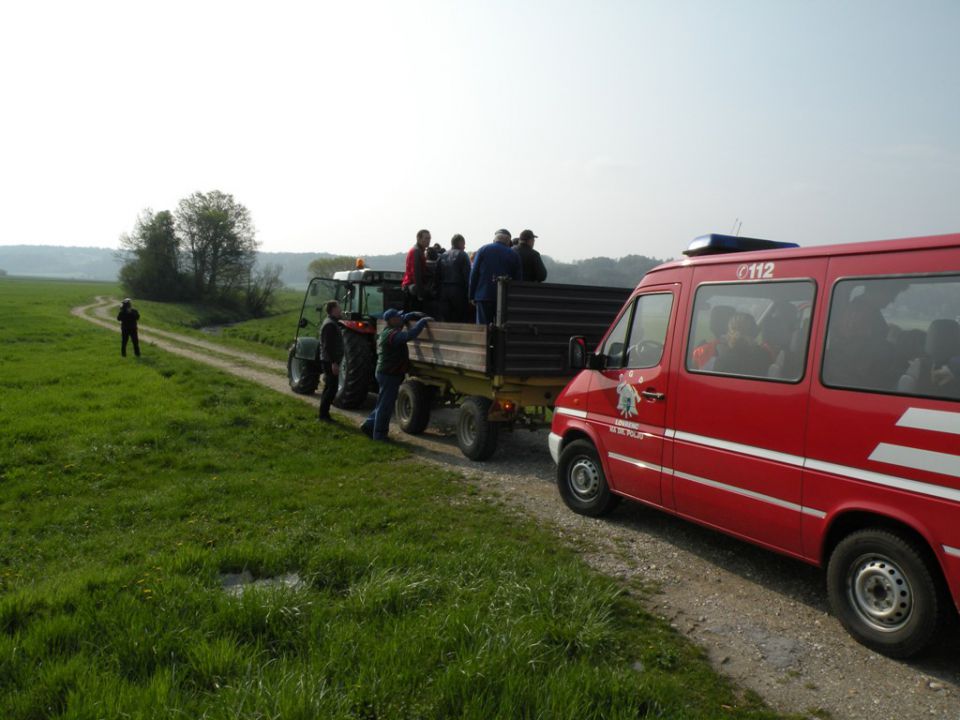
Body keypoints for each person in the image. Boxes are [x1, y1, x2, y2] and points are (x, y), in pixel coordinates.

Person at [360, 309, 431, 441]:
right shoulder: (392, 334)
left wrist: (410, 315)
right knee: (385, 406)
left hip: (386, 373)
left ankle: (369, 424)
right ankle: (380, 435)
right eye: (398, 317)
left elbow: (401, 319)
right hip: (389, 375)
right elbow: (408, 336)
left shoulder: (389, 329)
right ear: (392, 320)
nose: (400, 318)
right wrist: (421, 323)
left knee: (383, 403)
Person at [468, 228, 523, 324]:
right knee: (502, 327)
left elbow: (474, 274)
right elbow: (518, 280)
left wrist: (471, 295)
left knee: (483, 329)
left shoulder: (483, 250)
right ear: (508, 242)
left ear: (494, 240)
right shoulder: (514, 255)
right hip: (505, 298)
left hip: (483, 296)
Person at [317, 300, 343, 422]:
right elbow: (328, 346)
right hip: (329, 361)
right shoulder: (330, 325)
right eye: (339, 308)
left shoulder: (332, 323)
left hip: (329, 361)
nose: (341, 310)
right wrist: (334, 363)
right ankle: (323, 415)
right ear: (333, 310)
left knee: (329, 387)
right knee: (331, 389)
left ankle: (323, 415)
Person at [437, 234, 471, 322]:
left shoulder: (442, 256)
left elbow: (437, 275)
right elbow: (467, 276)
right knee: (459, 317)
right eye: (463, 244)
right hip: (458, 290)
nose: (464, 246)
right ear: (460, 243)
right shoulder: (463, 255)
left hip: (444, 290)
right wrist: (470, 293)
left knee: (446, 318)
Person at [402, 229, 435, 314]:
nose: (428, 241)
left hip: (412, 287)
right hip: (413, 289)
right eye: (426, 238)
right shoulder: (416, 251)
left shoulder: (419, 251)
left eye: (429, 238)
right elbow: (416, 273)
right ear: (418, 239)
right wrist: (420, 294)